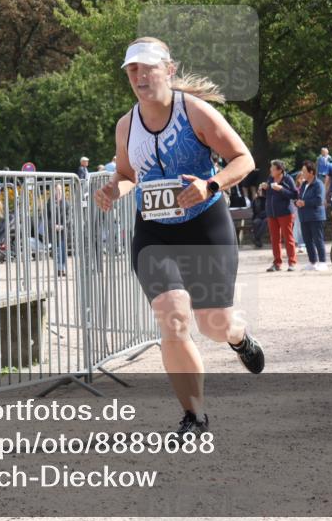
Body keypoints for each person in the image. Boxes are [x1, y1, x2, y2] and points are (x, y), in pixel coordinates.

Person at [94, 36, 264, 436]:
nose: (139, 76)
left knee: (213, 324)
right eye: (132, 70)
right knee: (171, 319)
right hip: (154, 232)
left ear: (169, 69)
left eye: (147, 67)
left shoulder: (195, 112)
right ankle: (194, 416)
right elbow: (126, 175)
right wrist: (111, 190)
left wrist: (211, 184)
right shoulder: (126, 125)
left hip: (205, 224)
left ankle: (239, 338)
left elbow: (244, 159)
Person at [261, 159, 299, 272]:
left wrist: (281, 189)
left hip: (285, 213)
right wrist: (264, 188)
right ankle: (277, 263)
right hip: (271, 213)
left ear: (279, 170)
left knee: (288, 238)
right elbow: (267, 195)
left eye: (272, 168)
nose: (270, 170)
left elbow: (294, 195)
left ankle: (292, 262)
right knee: (274, 239)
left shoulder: (288, 179)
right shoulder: (270, 178)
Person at [294, 160, 327, 271]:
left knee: (318, 239)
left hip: (316, 217)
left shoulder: (319, 184)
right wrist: (297, 202)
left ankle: (323, 262)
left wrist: (305, 203)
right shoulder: (303, 184)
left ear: (311, 172)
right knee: (307, 241)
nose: (302, 173)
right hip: (304, 216)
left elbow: (319, 200)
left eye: (304, 171)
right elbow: (300, 198)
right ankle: (312, 262)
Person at [47, 183, 69, 276]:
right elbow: (47, 216)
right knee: (57, 250)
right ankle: (59, 269)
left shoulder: (66, 203)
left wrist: (63, 225)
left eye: (60, 190)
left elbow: (69, 216)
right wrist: (53, 225)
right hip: (54, 230)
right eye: (56, 190)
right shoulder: (50, 202)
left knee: (63, 250)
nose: (58, 192)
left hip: (63, 230)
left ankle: (62, 268)